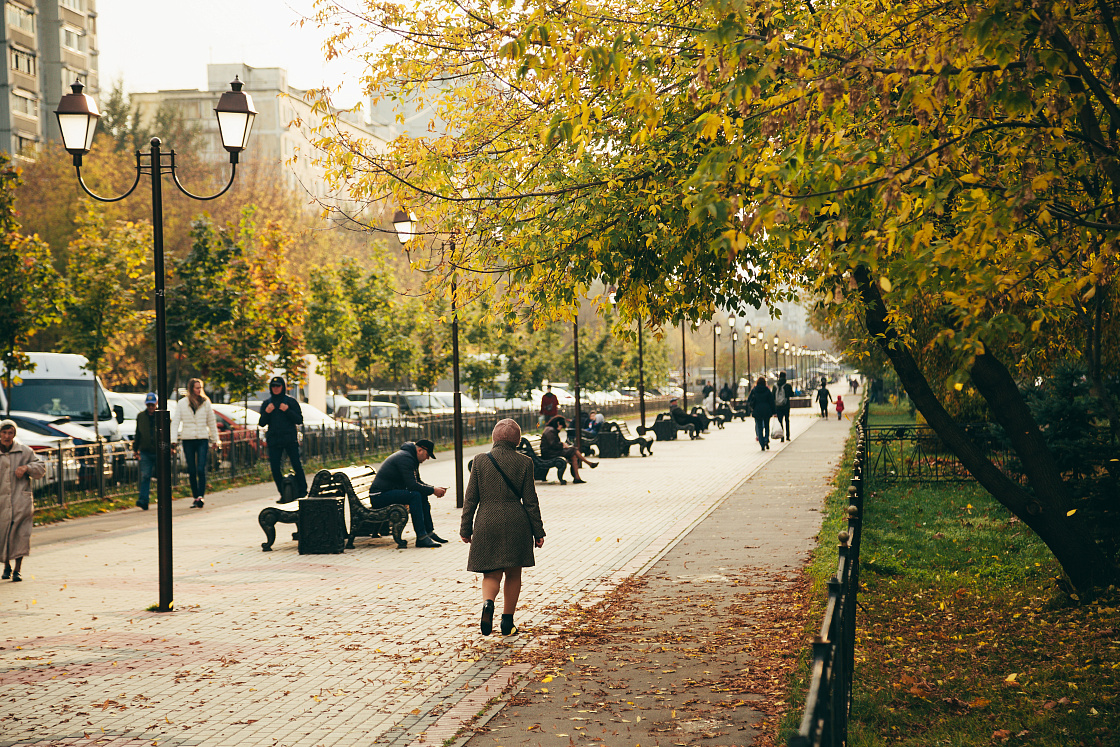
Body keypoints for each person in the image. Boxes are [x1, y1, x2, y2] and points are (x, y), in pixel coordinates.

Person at [461, 419, 546, 636]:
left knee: (491, 573)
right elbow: (530, 500)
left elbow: (470, 498)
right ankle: (507, 622)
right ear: (517, 440)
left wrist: (465, 528)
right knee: (513, 572)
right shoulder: (525, 462)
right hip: (517, 521)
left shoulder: (479, 460)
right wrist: (538, 531)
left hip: (487, 519)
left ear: (494, 438)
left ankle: (488, 603)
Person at [369, 438, 448, 547]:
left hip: (387, 492)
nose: (428, 458)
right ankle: (421, 536)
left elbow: (418, 482)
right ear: (420, 450)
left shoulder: (410, 457)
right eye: (427, 454)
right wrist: (434, 490)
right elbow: (412, 485)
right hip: (379, 496)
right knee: (415, 495)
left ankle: (428, 532)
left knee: (421, 494)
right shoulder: (405, 458)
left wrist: (433, 488)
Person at [0, 420, 46, 582]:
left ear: (14, 435)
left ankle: (17, 570)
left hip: (21, 501)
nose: (7, 436)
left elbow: (41, 467)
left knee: (20, 534)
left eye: (10, 433)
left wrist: (27, 468)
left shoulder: (24, 452)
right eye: (4, 433)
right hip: (2, 503)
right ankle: (6, 566)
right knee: (3, 533)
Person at [170, 378, 221, 508]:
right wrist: (173, 440)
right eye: (196, 388)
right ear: (191, 388)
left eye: (200, 387)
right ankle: (195, 496)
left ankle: (201, 496)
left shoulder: (205, 402)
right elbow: (175, 422)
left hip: (202, 438)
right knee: (192, 469)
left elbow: (211, 422)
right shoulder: (182, 403)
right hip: (188, 439)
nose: (199, 390)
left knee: (201, 468)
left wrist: (215, 439)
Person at [259, 376, 307, 503]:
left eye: (278, 386)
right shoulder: (267, 403)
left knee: (296, 464)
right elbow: (262, 423)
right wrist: (267, 412)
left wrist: (287, 411)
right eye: (273, 386)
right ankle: (283, 493)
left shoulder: (290, 402)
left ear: (283, 387)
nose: (276, 388)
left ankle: (303, 491)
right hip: (274, 440)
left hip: (289, 439)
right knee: (275, 468)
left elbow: (299, 420)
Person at [541, 416, 597, 484]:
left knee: (573, 455)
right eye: (561, 427)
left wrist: (562, 444)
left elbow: (553, 443)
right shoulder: (550, 431)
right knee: (573, 450)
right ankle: (588, 463)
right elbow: (553, 444)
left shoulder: (551, 429)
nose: (560, 429)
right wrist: (562, 445)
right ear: (558, 423)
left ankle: (577, 478)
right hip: (549, 453)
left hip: (552, 451)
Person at [133, 393, 158, 510]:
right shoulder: (141, 417)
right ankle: (143, 500)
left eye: (152, 405)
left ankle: (163, 499)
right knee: (145, 476)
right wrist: (135, 449)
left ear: (156, 404)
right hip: (145, 451)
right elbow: (138, 433)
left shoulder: (161, 416)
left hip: (158, 451)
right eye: (149, 405)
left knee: (161, 476)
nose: (151, 407)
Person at [746, 377, 775, 450]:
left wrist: (752, 407)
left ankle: (762, 444)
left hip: (757, 410)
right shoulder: (767, 390)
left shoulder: (754, 390)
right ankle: (766, 440)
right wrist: (774, 412)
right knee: (767, 426)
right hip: (766, 410)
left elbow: (749, 400)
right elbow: (772, 401)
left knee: (759, 427)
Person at [774, 372, 794, 443]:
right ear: (785, 377)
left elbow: (773, 396)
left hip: (778, 406)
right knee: (787, 420)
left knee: (780, 421)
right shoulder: (787, 386)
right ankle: (788, 436)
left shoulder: (775, 386)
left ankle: (782, 437)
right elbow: (792, 394)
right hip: (786, 406)